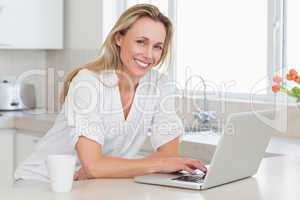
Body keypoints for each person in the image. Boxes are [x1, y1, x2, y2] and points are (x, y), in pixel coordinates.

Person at [14, 4, 207, 182]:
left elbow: (168, 155)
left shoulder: (160, 84)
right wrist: (102, 168)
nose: (149, 54)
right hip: (42, 183)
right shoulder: (87, 82)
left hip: (95, 185)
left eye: (157, 46)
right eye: (141, 42)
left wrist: (105, 168)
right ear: (119, 38)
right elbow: (95, 166)